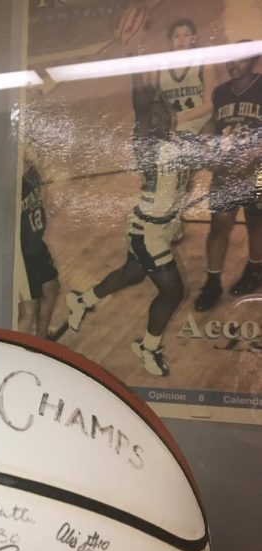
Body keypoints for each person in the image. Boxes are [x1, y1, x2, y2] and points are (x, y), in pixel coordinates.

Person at [67, 78, 193, 377]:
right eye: (153, 115)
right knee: (173, 292)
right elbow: (140, 110)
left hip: (163, 226)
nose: (160, 118)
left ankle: (83, 300)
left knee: (133, 274)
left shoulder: (179, 142)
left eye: (164, 113)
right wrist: (136, 69)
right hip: (147, 232)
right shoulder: (146, 145)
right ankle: (147, 348)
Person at [193, 48, 262, 311]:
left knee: (256, 220)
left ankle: (255, 269)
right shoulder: (221, 92)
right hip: (227, 168)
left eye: (240, 59)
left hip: (259, 170)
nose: (233, 65)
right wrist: (204, 135)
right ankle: (212, 283)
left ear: (253, 61)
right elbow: (214, 122)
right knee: (218, 226)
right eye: (230, 60)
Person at [150, 18, 222, 243]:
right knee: (171, 177)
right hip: (176, 128)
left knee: (199, 173)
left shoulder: (204, 63)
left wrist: (176, 119)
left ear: (194, 38)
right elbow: (155, 103)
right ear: (169, 41)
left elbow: (211, 103)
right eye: (176, 35)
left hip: (203, 124)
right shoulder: (158, 67)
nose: (181, 40)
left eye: (185, 35)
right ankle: (173, 223)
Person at [18, 155, 59, 339]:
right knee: (28, 309)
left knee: (51, 288)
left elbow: (47, 202)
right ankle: (17, 352)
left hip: (37, 244)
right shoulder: (13, 184)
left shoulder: (32, 173)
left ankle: (41, 341)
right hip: (22, 253)